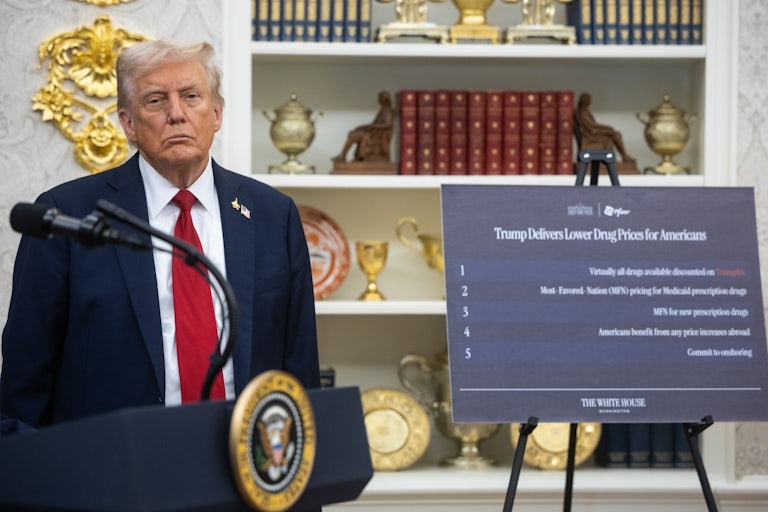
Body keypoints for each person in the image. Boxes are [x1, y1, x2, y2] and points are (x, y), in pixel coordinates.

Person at [0, 40, 320, 432]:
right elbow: (24, 383)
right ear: (128, 123)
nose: (176, 114)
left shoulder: (273, 214)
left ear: (216, 114)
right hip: (114, 475)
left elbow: (300, 371)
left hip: (246, 471)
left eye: (191, 96)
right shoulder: (66, 215)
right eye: (155, 101)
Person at [332, 90, 395, 163]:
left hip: (376, 134)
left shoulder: (387, 110)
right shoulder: (383, 109)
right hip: (373, 131)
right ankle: (342, 156)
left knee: (352, 136)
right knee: (354, 132)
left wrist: (373, 126)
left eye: (379, 98)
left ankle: (342, 156)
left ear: (384, 99)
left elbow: (388, 124)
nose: (378, 100)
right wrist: (363, 127)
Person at [574, 92, 633, 163]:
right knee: (616, 135)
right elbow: (592, 128)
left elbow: (594, 125)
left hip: (593, 133)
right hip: (591, 136)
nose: (590, 101)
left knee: (615, 134)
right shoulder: (583, 113)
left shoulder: (585, 111)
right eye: (588, 100)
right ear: (585, 101)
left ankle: (622, 156)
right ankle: (623, 157)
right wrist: (609, 130)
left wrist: (608, 128)